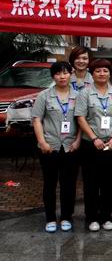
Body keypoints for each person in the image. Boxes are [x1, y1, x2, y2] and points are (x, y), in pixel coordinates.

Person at [75, 59, 112, 232]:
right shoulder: (85, 93)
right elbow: (81, 117)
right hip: (91, 145)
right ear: (92, 73)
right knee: (91, 183)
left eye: (105, 70)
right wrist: (94, 138)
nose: (102, 74)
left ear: (110, 73)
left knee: (109, 183)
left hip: (111, 145)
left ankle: (106, 216)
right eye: (98, 71)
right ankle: (92, 217)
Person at [32, 61, 81, 233]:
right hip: (49, 146)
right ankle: (50, 218)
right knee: (49, 184)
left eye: (65, 73)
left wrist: (78, 141)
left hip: (70, 147)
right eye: (58, 73)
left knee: (69, 184)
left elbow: (81, 121)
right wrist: (42, 142)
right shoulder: (44, 96)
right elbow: (37, 119)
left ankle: (66, 216)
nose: (62, 76)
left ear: (71, 74)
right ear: (53, 76)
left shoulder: (78, 96)